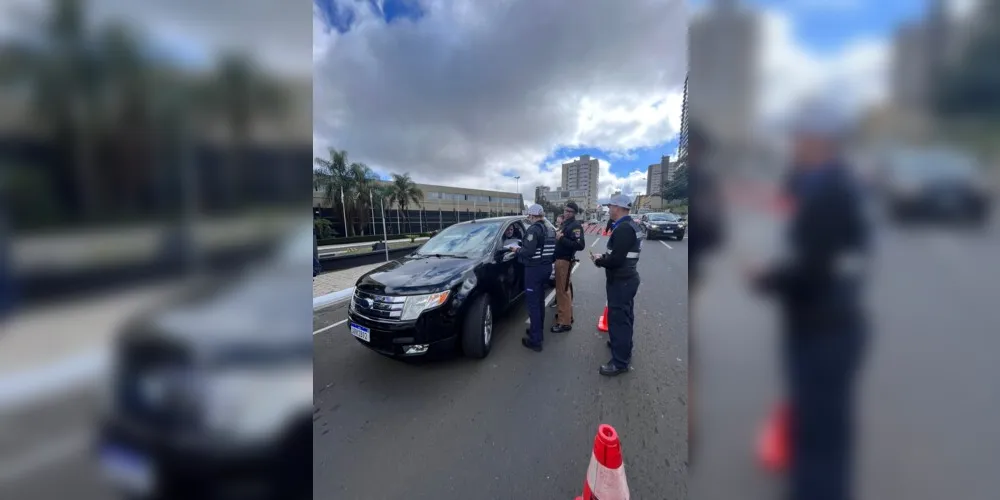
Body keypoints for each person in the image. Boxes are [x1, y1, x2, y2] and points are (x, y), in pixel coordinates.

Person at [743, 99, 870, 500]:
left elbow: (814, 268)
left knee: (819, 438)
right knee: (819, 431)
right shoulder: (823, 184)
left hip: (824, 328)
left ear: (820, 140)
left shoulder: (831, 192)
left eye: (798, 136)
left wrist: (766, 278)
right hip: (824, 322)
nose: (792, 144)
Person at [591, 194, 642, 376]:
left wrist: (599, 260)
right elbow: (619, 255)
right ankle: (622, 344)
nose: (609, 209)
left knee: (619, 319)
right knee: (625, 315)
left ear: (618, 208)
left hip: (621, 280)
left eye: (611, 206)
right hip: (627, 278)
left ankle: (620, 362)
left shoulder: (623, 229)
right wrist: (605, 258)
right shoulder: (631, 226)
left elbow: (616, 260)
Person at [516, 204, 556, 352]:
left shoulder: (534, 230)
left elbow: (527, 252)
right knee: (539, 302)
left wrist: (517, 249)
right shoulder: (549, 229)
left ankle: (535, 340)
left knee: (533, 304)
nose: (529, 219)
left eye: (529, 216)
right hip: (545, 268)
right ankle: (536, 330)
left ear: (533, 216)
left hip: (534, 270)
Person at [551, 201, 585, 331]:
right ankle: (566, 315)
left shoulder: (575, 226)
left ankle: (564, 323)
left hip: (565, 261)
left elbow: (580, 245)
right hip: (560, 260)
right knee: (562, 290)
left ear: (574, 213)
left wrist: (561, 239)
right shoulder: (566, 224)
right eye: (565, 210)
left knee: (563, 291)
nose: (566, 213)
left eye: (569, 211)